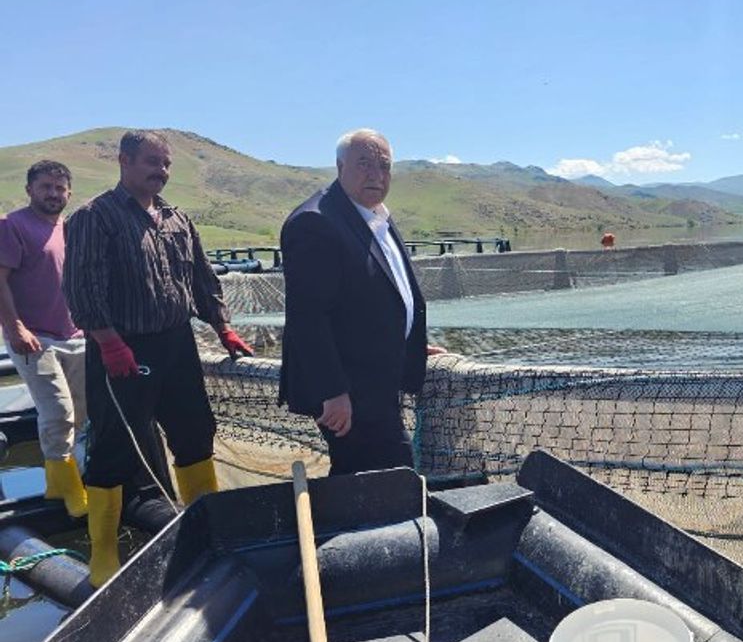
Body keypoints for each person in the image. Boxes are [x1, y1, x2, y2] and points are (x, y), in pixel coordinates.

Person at [62, 129, 253, 587]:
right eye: (152, 162)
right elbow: (81, 287)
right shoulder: (95, 217)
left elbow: (202, 279)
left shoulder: (176, 218)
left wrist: (222, 326)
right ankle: (103, 554)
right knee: (113, 446)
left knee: (195, 433)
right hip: (122, 347)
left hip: (177, 345)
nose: (161, 171)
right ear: (124, 161)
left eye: (166, 164)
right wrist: (108, 341)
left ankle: (206, 534)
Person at [279, 129, 434, 475]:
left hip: (377, 380)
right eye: (364, 164)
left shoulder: (373, 214)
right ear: (339, 167)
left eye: (384, 166)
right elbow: (307, 317)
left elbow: (377, 293)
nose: (376, 175)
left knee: (363, 476)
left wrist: (409, 341)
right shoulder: (315, 222)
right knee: (388, 474)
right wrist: (332, 392)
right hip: (348, 389)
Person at [0, 160, 88, 517]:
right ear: (29, 190)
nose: (53, 194)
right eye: (45, 187)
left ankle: (67, 477)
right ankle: (65, 488)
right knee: (58, 411)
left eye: (59, 188)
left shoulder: (69, 228)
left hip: (76, 334)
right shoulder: (12, 225)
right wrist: (14, 328)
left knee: (81, 413)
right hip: (34, 337)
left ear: (69, 192)